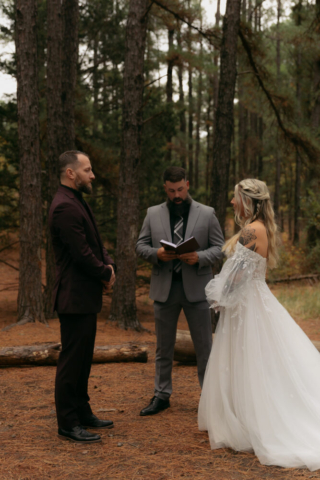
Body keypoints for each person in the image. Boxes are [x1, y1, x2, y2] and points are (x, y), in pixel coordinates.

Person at [198, 178, 320, 471]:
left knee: (252, 358)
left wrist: (218, 296)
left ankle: (256, 419)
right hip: (253, 300)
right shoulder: (261, 228)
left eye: (235, 197)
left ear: (248, 201)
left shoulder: (252, 230)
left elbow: (236, 275)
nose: (231, 202)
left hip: (247, 304)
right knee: (261, 359)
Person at [136, 166, 224, 416]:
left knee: (204, 347)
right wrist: (157, 254)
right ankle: (161, 395)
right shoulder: (153, 214)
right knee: (164, 347)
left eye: (181, 189)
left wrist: (200, 257)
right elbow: (140, 246)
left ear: (188, 185)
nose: (177, 195)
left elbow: (220, 247)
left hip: (197, 290)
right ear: (165, 187)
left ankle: (209, 398)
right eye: (172, 190)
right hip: (165, 290)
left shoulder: (207, 214)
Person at [49, 150, 116, 443]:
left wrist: (108, 266)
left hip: (85, 295)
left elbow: (95, 244)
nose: (92, 175)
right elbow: (81, 254)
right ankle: (67, 422)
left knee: (83, 359)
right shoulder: (64, 206)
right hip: (74, 297)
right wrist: (104, 273)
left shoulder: (77, 201)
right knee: (72, 361)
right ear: (70, 173)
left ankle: (82, 410)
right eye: (87, 170)